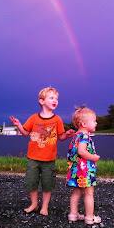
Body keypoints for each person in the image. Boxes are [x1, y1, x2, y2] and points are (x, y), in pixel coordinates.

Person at [10, 87, 74, 216]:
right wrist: (18, 125)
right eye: (51, 98)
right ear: (41, 101)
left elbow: (60, 137)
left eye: (56, 98)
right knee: (31, 182)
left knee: (47, 184)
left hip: (49, 159)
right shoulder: (34, 118)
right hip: (33, 157)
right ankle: (34, 204)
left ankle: (44, 207)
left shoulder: (57, 120)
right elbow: (25, 133)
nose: (55, 100)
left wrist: (67, 134)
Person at [66, 106, 101, 225]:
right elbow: (82, 152)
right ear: (84, 123)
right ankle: (90, 217)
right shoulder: (84, 136)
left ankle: (73, 214)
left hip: (76, 170)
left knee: (77, 192)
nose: (96, 123)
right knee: (89, 193)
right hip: (85, 171)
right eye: (94, 120)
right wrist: (94, 157)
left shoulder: (76, 136)